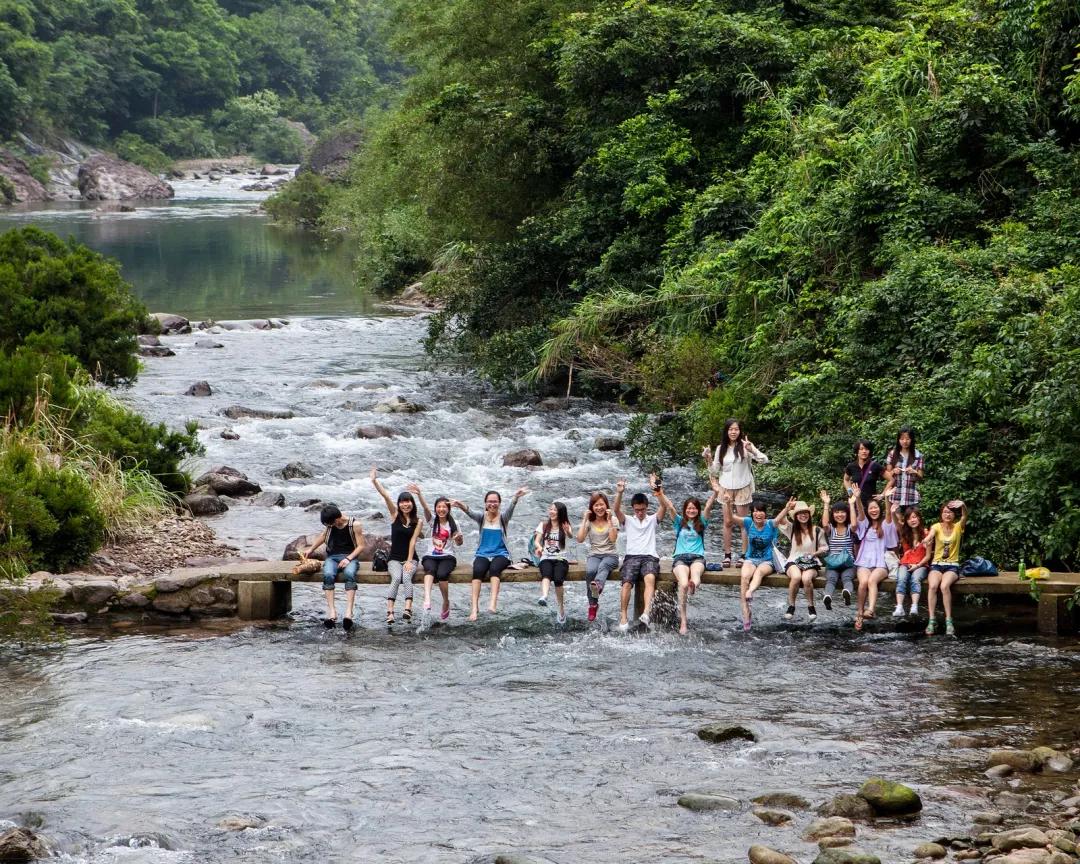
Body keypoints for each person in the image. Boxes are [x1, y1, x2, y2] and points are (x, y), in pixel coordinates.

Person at [656, 476, 721, 635]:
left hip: (697, 557)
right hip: (680, 558)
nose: (691, 510)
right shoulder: (679, 522)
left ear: (697, 510)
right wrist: (660, 493)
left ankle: (694, 585)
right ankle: (683, 620)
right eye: (689, 508)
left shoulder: (702, 522)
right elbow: (670, 507)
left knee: (696, 575)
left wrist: (715, 492)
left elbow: (709, 506)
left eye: (694, 508)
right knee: (683, 584)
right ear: (685, 509)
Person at [454, 487, 528, 620]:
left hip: (501, 554)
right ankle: (474, 609)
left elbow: (511, 509)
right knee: (477, 571)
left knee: (495, 569)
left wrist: (516, 497)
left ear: (499, 503)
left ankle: (492, 604)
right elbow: (469, 512)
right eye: (489, 501)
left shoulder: (503, 518)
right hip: (482, 554)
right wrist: (460, 505)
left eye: (495, 501)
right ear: (485, 503)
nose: (492, 504)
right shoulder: (481, 517)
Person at [704, 419, 769, 568]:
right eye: (731, 429)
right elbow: (714, 471)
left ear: (740, 431)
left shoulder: (746, 447)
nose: (733, 432)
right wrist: (708, 458)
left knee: (744, 523)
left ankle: (744, 555)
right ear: (726, 431)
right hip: (725, 487)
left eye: (736, 429)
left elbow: (764, 460)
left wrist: (752, 449)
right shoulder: (721, 448)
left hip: (742, 486)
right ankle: (727, 555)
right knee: (727, 522)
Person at [612, 475, 668, 632]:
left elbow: (664, 507)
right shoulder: (628, 520)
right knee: (627, 583)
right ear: (633, 509)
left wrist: (657, 491)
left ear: (647, 507)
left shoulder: (652, 520)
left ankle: (646, 613)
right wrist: (620, 492)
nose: (640, 513)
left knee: (650, 578)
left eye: (642, 509)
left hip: (650, 556)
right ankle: (623, 616)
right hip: (631, 556)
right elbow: (616, 510)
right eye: (637, 510)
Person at [371, 468, 422, 626]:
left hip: (411, 559)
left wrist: (408, 561)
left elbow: (413, 541)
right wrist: (374, 481)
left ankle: (407, 609)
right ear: (399, 504)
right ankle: (390, 612)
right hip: (393, 558)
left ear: (412, 504)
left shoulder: (417, 522)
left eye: (408, 502)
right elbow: (386, 496)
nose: (405, 504)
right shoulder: (395, 516)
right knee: (396, 578)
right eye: (402, 502)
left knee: (407, 577)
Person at [302, 504, 365, 631]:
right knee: (328, 575)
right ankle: (332, 611)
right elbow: (323, 536)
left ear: (337, 519)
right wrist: (311, 549)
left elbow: (361, 546)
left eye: (329, 524)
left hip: (350, 556)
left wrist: (348, 559)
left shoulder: (355, 524)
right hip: (332, 557)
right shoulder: (330, 526)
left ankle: (349, 612)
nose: (328, 527)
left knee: (349, 574)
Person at [737, 497, 792, 631]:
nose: (758, 513)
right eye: (756, 511)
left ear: (765, 513)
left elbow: (779, 518)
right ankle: (745, 611)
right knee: (744, 577)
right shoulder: (748, 522)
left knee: (759, 572)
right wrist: (727, 503)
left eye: (761, 511)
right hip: (750, 559)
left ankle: (750, 591)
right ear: (752, 513)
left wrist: (787, 508)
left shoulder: (770, 524)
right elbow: (730, 519)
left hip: (767, 561)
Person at [410, 484, 463, 621]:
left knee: (442, 574)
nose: (441, 509)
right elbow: (425, 508)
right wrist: (419, 494)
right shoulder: (433, 522)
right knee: (430, 570)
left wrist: (459, 538)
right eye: (439, 507)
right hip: (431, 555)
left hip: (448, 557)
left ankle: (446, 601)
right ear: (436, 509)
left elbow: (459, 543)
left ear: (448, 509)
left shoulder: (454, 523)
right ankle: (427, 599)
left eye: (444, 507)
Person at [852, 487, 899, 630]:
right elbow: (860, 512)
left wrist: (886, 498)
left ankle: (871, 610)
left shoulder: (885, 524)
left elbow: (890, 518)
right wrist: (858, 498)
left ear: (880, 510)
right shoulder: (865, 524)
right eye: (871, 508)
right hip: (864, 562)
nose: (874, 510)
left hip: (881, 564)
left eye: (876, 508)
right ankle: (860, 613)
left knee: (872, 580)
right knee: (863, 582)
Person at [777, 498, 828, 623]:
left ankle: (811, 606)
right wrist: (787, 508)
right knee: (796, 577)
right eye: (799, 513)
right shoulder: (792, 529)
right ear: (796, 516)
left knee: (806, 579)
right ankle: (791, 606)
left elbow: (825, 547)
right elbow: (779, 520)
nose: (803, 515)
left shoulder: (817, 530)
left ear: (809, 514)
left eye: (805, 512)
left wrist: (814, 553)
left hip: (811, 562)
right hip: (793, 561)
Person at [921, 500, 968, 637]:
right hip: (936, 564)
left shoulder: (958, 527)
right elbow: (930, 535)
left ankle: (948, 620)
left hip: (952, 566)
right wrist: (927, 540)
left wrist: (963, 505)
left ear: (954, 515)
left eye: (950, 512)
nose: (947, 515)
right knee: (933, 585)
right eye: (945, 512)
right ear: (941, 514)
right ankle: (932, 620)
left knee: (944, 586)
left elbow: (965, 516)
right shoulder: (936, 526)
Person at [576, 491, 619, 622]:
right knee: (590, 571)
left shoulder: (613, 519)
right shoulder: (589, 521)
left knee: (604, 566)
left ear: (606, 506)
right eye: (596, 505)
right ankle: (593, 605)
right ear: (591, 507)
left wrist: (610, 521)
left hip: (611, 555)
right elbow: (580, 539)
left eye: (601, 505)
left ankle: (598, 585)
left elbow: (613, 539)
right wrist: (584, 520)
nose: (599, 508)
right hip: (594, 554)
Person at [533, 502, 572, 624]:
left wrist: (568, 531)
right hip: (546, 557)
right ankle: (544, 596)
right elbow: (536, 541)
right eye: (551, 509)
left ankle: (561, 608)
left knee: (558, 579)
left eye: (555, 510)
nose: (552, 512)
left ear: (560, 512)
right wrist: (539, 547)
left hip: (561, 558)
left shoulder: (565, 525)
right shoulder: (543, 525)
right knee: (546, 573)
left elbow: (571, 536)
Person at [819, 489, 857, 610]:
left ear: (847, 514)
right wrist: (826, 504)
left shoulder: (850, 528)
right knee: (834, 579)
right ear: (833, 514)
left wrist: (851, 504)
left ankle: (842, 593)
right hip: (838, 563)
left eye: (842, 512)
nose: (839, 515)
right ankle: (829, 597)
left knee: (839, 579)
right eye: (836, 512)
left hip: (846, 563)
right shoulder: (831, 529)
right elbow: (825, 524)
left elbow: (855, 524)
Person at [892, 505, 929, 618]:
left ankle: (914, 606)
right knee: (902, 578)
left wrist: (917, 565)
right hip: (905, 563)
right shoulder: (904, 532)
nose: (912, 520)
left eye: (914, 517)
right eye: (909, 518)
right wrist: (893, 512)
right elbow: (896, 523)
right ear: (906, 521)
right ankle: (899, 607)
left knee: (915, 579)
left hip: (921, 564)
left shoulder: (927, 534)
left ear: (919, 518)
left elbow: (927, 556)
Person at [883, 426, 924, 512]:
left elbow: (920, 477)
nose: (905, 441)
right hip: (895, 496)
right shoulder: (892, 454)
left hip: (912, 497)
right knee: (896, 523)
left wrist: (914, 472)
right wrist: (893, 471)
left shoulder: (918, 455)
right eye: (902, 439)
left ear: (912, 440)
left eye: (907, 439)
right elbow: (888, 475)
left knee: (912, 523)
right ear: (898, 440)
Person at [844, 439, 885, 509]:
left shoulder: (875, 466)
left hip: (871, 504)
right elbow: (846, 479)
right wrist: (850, 492)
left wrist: (882, 495)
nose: (864, 451)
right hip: (856, 503)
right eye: (861, 449)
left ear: (869, 451)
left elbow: (891, 479)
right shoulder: (851, 466)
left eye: (866, 449)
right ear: (857, 451)